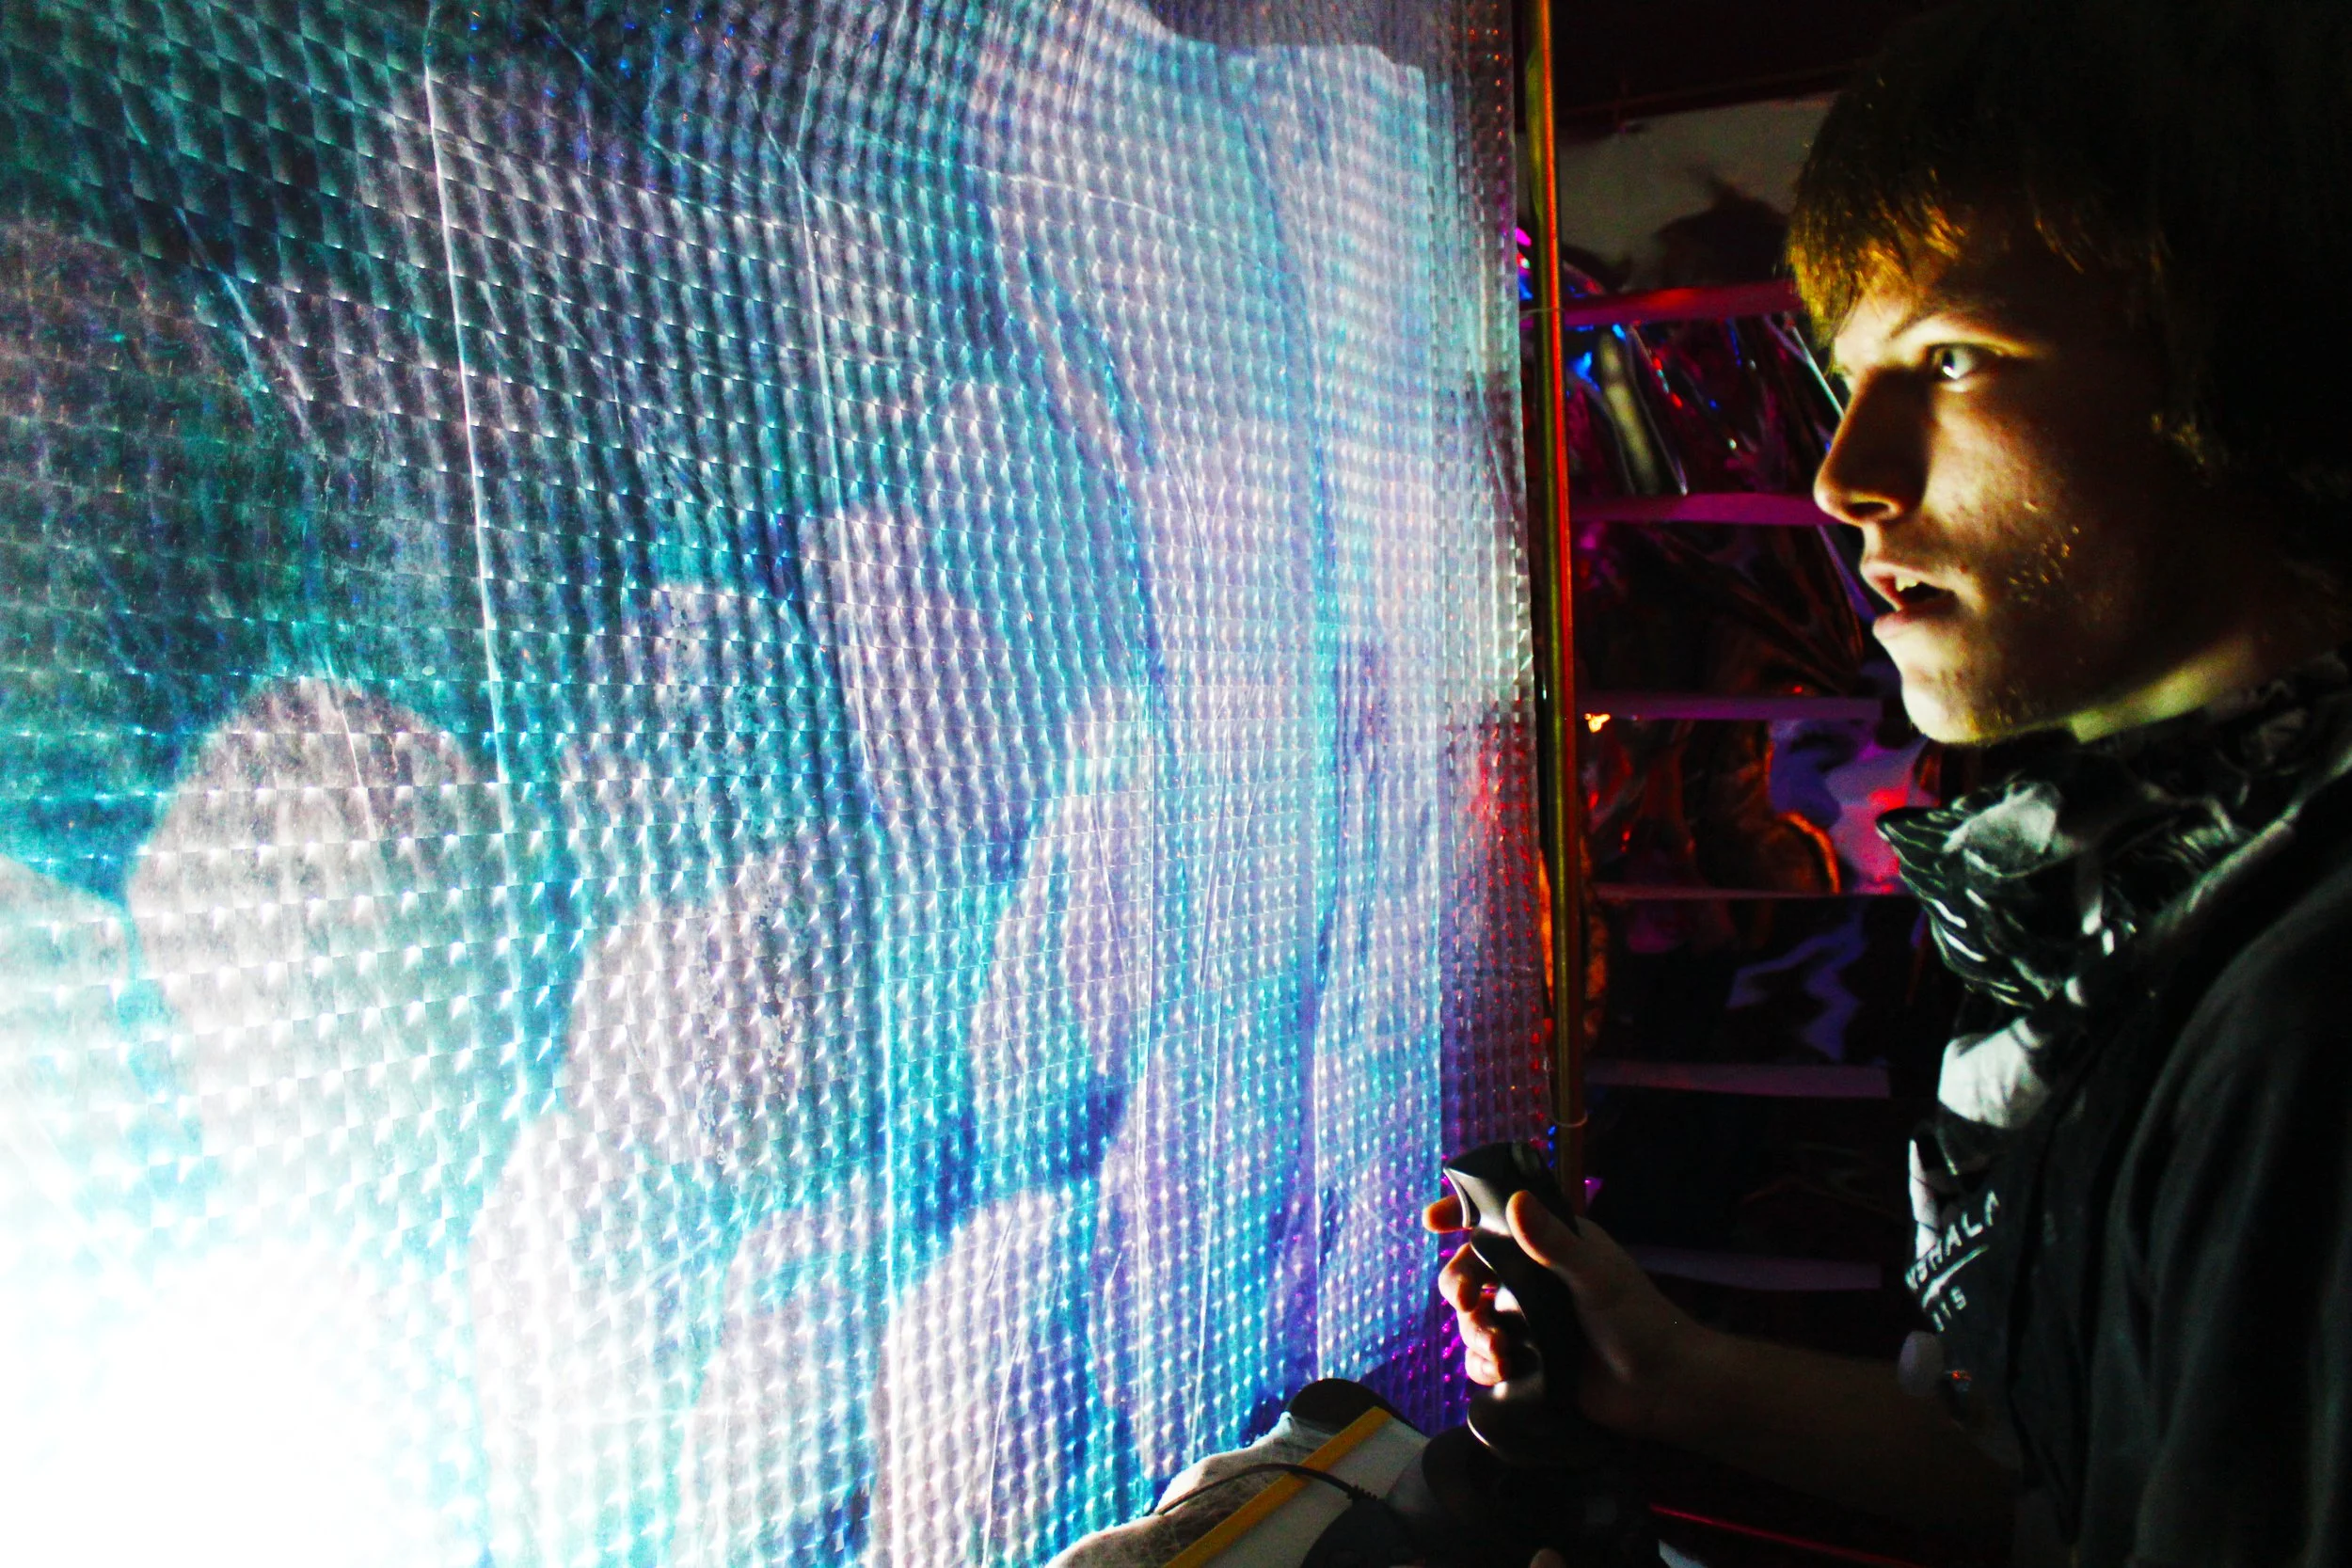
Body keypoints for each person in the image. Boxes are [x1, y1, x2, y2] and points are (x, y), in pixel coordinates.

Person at [1431, 1, 2352, 1562]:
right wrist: (1681, 1378)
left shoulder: (2306, 1019)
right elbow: (2076, 1466)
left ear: (2250, 364)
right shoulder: (2173, 891)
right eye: (1855, 370)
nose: (1845, 474)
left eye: (1952, 356)